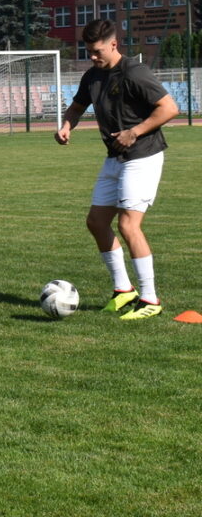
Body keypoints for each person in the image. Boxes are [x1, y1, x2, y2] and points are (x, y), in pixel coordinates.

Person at [55, 19, 179, 321]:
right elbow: (78, 105)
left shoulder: (135, 72)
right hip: (115, 157)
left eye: (98, 52)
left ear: (114, 44)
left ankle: (150, 298)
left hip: (143, 155)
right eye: (89, 52)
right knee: (96, 222)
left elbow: (169, 108)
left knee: (128, 225)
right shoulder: (93, 75)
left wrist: (134, 132)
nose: (93, 57)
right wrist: (67, 124)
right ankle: (123, 291)